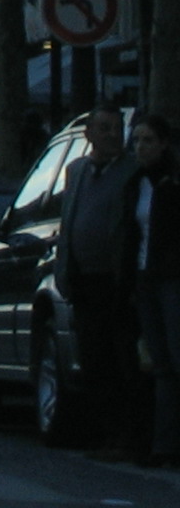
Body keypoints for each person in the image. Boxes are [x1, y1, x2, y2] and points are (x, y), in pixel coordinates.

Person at [62, 108, 143, 461]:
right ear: (89, 134)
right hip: (83, 281)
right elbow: (68, 222)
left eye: (117, 128)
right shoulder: (76, 171)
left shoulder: (132, 172)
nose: (113, 135)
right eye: (105, 128)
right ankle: (105, 432)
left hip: (116, 281)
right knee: (93, 359)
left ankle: (126, 435)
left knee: (121, 360)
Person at [124, 114, 180, 467]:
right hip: (144, 278)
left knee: (175, 359)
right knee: (159, 364)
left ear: (163, 144)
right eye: (137, 140)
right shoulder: (137, 184)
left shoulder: (171, 184)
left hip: (171, 277)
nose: (141, 147)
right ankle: (162, 444)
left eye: (147, 140)